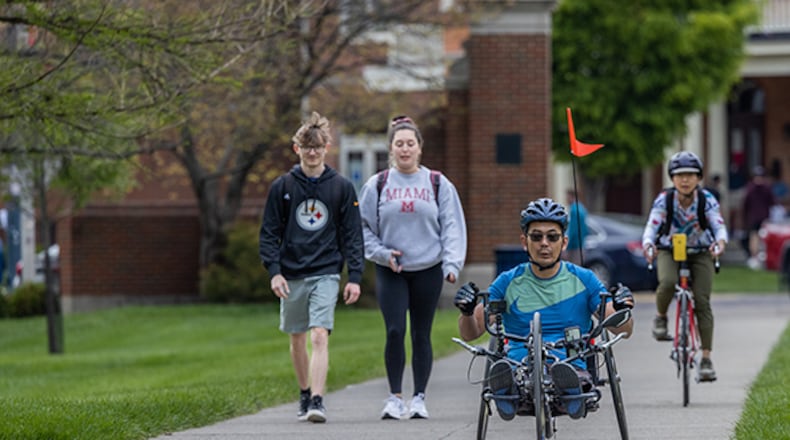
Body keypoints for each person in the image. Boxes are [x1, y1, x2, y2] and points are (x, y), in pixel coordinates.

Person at [454, 197, 634, 420]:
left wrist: (621, 307)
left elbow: (623, 329)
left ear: (564, 242)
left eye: (552, 237)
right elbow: (470, 332)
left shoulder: (585, 279)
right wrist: (467, 311)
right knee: (513, 375)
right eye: (536, 237)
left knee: (567, 374)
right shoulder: (507, 282)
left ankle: (571, 391)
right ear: (524, 241)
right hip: (520, 368)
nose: (544, 243)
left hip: (569, 363)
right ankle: (507, 392)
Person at [358, 114, 467, 420]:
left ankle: (419, 397)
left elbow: (452, 225)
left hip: (428, 268)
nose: (405, 149)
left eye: (410, 143)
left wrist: (451, 263)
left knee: (421, 334)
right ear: (391, 149)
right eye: (399, 144)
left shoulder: (437, 183)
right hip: (392, 269)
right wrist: (380, 253)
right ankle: (394, 397)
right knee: (395, 331)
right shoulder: (377, 184)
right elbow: (362, 228)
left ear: (420, 148)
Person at [259, 111, 364, 424]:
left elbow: (352, 235)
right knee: (297, 338)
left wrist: (354, 276)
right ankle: (304, 392)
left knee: (319, 334)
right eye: (307, 147)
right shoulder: (282, 187)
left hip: (327, 271)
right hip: (291, 273)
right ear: (297, 149)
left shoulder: (341, 188)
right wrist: (274, 271)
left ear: (327, 148)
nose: (313, 152)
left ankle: (318, 399)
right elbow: (269, 233)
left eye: (318, 147)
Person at [642, 151, 727, 382]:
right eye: (680, 175)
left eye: (690, 175)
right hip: (670, 249)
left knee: (702, 301)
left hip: (701, 252)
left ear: (699, 178)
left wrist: (720, 243)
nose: (685, 180)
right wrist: (648, 243)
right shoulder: (664, 200)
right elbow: (652, 225)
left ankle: (706, 359)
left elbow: (718, 226)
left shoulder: (707, 199)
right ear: (672, 178)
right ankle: (661, 317)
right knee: (667, 283)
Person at [742, 165, 775, 270]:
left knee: (756, 237)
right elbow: (772, 202)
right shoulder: (766, 187)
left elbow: (745, 204)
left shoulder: (750, 188)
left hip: (755, 216)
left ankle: (756, 257)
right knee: (758, 237)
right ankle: (758, 257)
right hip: (763, 216)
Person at [563, 189, 588, 266]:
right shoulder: (582, 208)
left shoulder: (574, 210)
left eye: (567, 197)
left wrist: (566, 247)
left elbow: (573, 230)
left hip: (574, 247)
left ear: (572, 197)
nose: (566, 199)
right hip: (581, 244)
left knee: (572, 271)